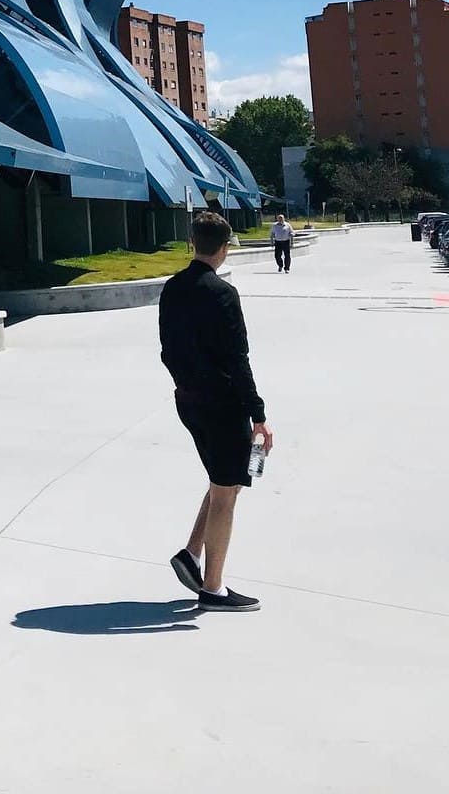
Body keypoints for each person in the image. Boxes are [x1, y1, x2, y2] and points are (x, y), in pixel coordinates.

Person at [158, 210, 273, 612]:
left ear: (193, 244)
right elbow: (237, 358)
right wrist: (258, 414)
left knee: (223, 480)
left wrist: (186, 382)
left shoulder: (171, 288)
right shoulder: (223, 294)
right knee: (227, 493)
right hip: (222, 405)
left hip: (187, 400)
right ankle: (213, 588)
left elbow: (166, 352)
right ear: (224, 249)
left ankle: (191, 553)